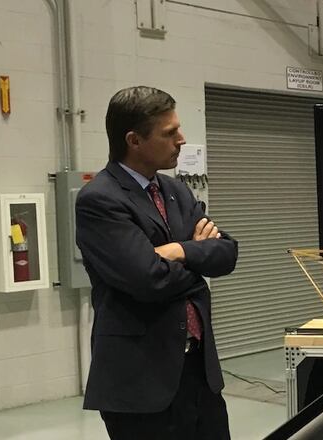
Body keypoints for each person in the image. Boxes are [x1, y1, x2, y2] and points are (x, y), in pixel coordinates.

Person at [75, 86, 239, 440]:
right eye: (169, 133)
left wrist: (178, 252)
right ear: (134, 140)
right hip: (141, 383)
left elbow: (226, 253)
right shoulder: (100, 200)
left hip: (198, 373)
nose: (181, 139)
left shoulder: (176, 191)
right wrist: (197, 254)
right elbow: (148, 279)